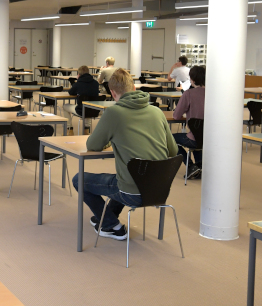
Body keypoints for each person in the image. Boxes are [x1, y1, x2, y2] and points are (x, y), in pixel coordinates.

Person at [73, 69, 178, 240]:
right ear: (134, 88)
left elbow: (93, 145)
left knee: (79, 179)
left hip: (133, 192)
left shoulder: (114, 113)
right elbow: (173, 151)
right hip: (160, 189)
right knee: (125, 177)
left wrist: (111, 140)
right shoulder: (157, 112)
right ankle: (108, 215)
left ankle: (109, 225)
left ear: (112, 93)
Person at [173, 65, 205, 179]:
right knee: (199, 136)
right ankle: (200, 165)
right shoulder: (213, 95)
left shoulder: (188, 94)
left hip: (194, 138)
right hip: (210, 138)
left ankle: (191, 166)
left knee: (170, 139)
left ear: (192, 79)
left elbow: (176, 116)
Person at [63, 65, 99, 133]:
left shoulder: (78, 84)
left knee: (65, 106)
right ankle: (86, 130)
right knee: (89, 106)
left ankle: (69, 130)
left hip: (81, 110)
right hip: (94, 110)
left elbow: (70, 92)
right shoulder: (96, 83)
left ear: (79, 74)